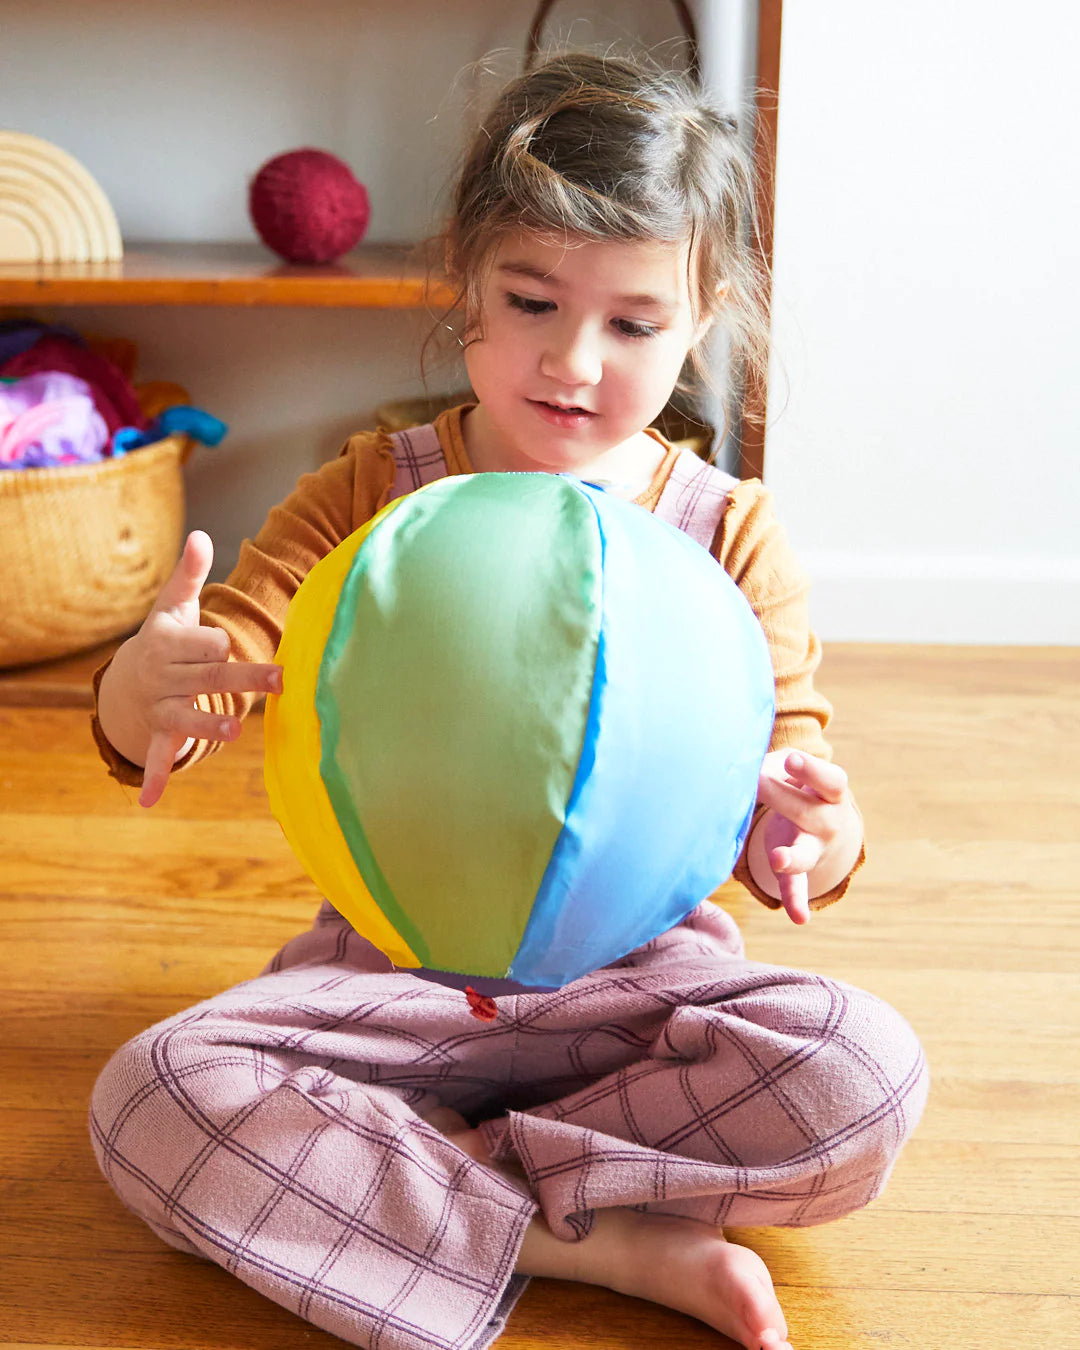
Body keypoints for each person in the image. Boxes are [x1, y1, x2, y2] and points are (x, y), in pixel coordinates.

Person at [89, 52, 928, 1350]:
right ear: (466, 282)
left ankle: (417, 1181)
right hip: (389, 988)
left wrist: (813, 827)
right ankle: (584, 1230)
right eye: (532, 300)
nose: (574, 361)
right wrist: (144, 687)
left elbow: (797, 792)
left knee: (864, 1074)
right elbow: (193, 692)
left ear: (703, 321)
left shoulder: (731, 535)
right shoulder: (363, 497)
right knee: (153, 1092)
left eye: (634, 324)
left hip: (636, 1003)